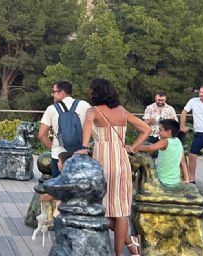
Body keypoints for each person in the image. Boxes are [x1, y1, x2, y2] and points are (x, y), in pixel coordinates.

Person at [76, 78, 150, 256]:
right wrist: (132, 147)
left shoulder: (93, 111)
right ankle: (122, 251)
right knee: (121, 210)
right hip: (122, 160)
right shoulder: (122, 111)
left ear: (96, 92)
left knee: (101, 208)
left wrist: (84, 148)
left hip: (103, 161)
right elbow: (146, 129)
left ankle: (130, 243)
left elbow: (87, 128)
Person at [38, 80, 90, 176]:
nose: (52, 94)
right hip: (80, 155)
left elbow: (41, 135)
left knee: (58, 184)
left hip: (59, 157)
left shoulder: (51, 108)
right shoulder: (85, 105)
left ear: (62, 92)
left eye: (53, 92)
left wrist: (53, 148)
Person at [137, 119, 189, 186]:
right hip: (175, 180)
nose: (158, 132)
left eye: (160, 130)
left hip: (162, 179)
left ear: (169, 132)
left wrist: (134, 147)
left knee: (145, 161)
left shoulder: (165, 142)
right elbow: (183, 161)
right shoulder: (178, 142)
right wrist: (186, 179)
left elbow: (149, 148)